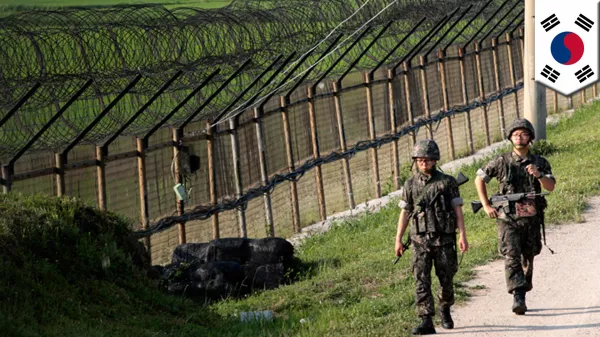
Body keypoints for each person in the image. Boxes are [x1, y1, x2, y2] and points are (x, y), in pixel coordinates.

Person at [474, 118, 555, 315]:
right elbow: (480, 178)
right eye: (515, 134)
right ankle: (518, 295)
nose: (519, 137)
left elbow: (550, 187)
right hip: (507, 217)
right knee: (511, 254)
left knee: (529, 254)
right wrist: (485, 205)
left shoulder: (540, 162)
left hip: (531, 218)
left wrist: (538, 175)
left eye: (523, 134)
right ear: (510, 137)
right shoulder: (501, 161)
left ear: (530, 137)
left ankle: (523, 289)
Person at [395, 139, 469, 335]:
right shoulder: (410, 184)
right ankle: (426, 319)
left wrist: (462, 235)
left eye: (427, 160)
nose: (423, 163)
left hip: (443, 239)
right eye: (419, 160)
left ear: (435, 160)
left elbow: (458, 210)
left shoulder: (447, 182)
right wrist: (398, 240)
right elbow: (405, 213)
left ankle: (445, 308)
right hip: (419, 241)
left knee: (446, 279)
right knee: (421, 279)